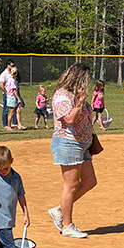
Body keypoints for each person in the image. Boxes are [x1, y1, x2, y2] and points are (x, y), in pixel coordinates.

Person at [47, 63, 97, 239]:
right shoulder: (62, 95)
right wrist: (81, 101)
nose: (87, 83)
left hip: (82, 144)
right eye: (85, 79)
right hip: (68, 143)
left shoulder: (75, 95)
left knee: (90, 181)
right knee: (71, 185)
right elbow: (69, 119)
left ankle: (60, 210)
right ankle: (67, 226)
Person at [0, 59, 14, 128]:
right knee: (6, 109)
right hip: (6, 94)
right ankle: (5, 124)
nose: (13, 67)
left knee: (13, 108)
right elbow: (1, 84)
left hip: (12, 94)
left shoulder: (12, 73)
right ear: (8, 65)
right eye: (11, 65)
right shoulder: (4, 74)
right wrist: (6, 92)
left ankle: (14, 123)